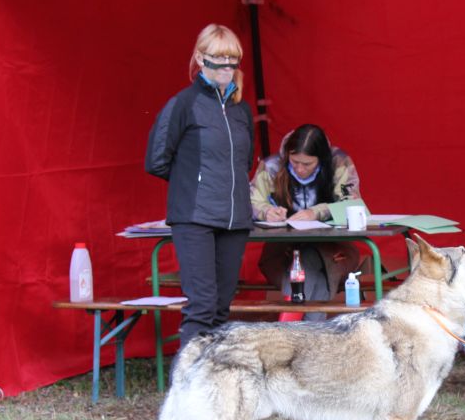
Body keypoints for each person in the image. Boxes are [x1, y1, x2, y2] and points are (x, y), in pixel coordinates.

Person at [146, 24, 254, 348]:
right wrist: (197, 184)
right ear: (200, 58)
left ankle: (212, 385)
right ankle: (187, 386)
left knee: (221, 307)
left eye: (232, 59)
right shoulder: (184, 104)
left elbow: (243, 163)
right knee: (202, 306)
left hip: (234, 220)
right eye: (218, 58)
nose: (226, 66)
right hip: (195, 217)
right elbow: (157, 160)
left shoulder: (241, 109)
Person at [249, 123, 363, 320]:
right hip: (281, 251)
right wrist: (266, 211)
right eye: (294, 162)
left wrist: (316, 212)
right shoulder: (272, 166)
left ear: (321, 159)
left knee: (306, 261)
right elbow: (250, 200)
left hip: (334, 251)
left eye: (308, 164)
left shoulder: (339, 163)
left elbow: (351, 204)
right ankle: (310, 341)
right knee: (312, 273)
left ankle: (288, 333)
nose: (300, 169)